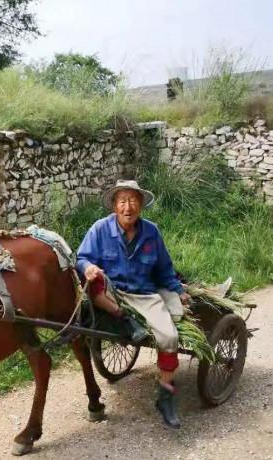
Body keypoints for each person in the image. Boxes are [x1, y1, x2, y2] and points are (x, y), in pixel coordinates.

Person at [76, 179, 191, 428]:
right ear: (115, 206)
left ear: (140, 205)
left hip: (145, 295)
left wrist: (178, 290)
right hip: (111, 293)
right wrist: (88, 267)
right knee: (97, 281)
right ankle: (123, 319)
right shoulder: (99, 229)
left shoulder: (151, 232)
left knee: (169, 337)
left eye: (133, 201)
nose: (128, 207)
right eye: (122, 201)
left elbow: (165, 269)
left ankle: (165, 395)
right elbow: (82, 257)